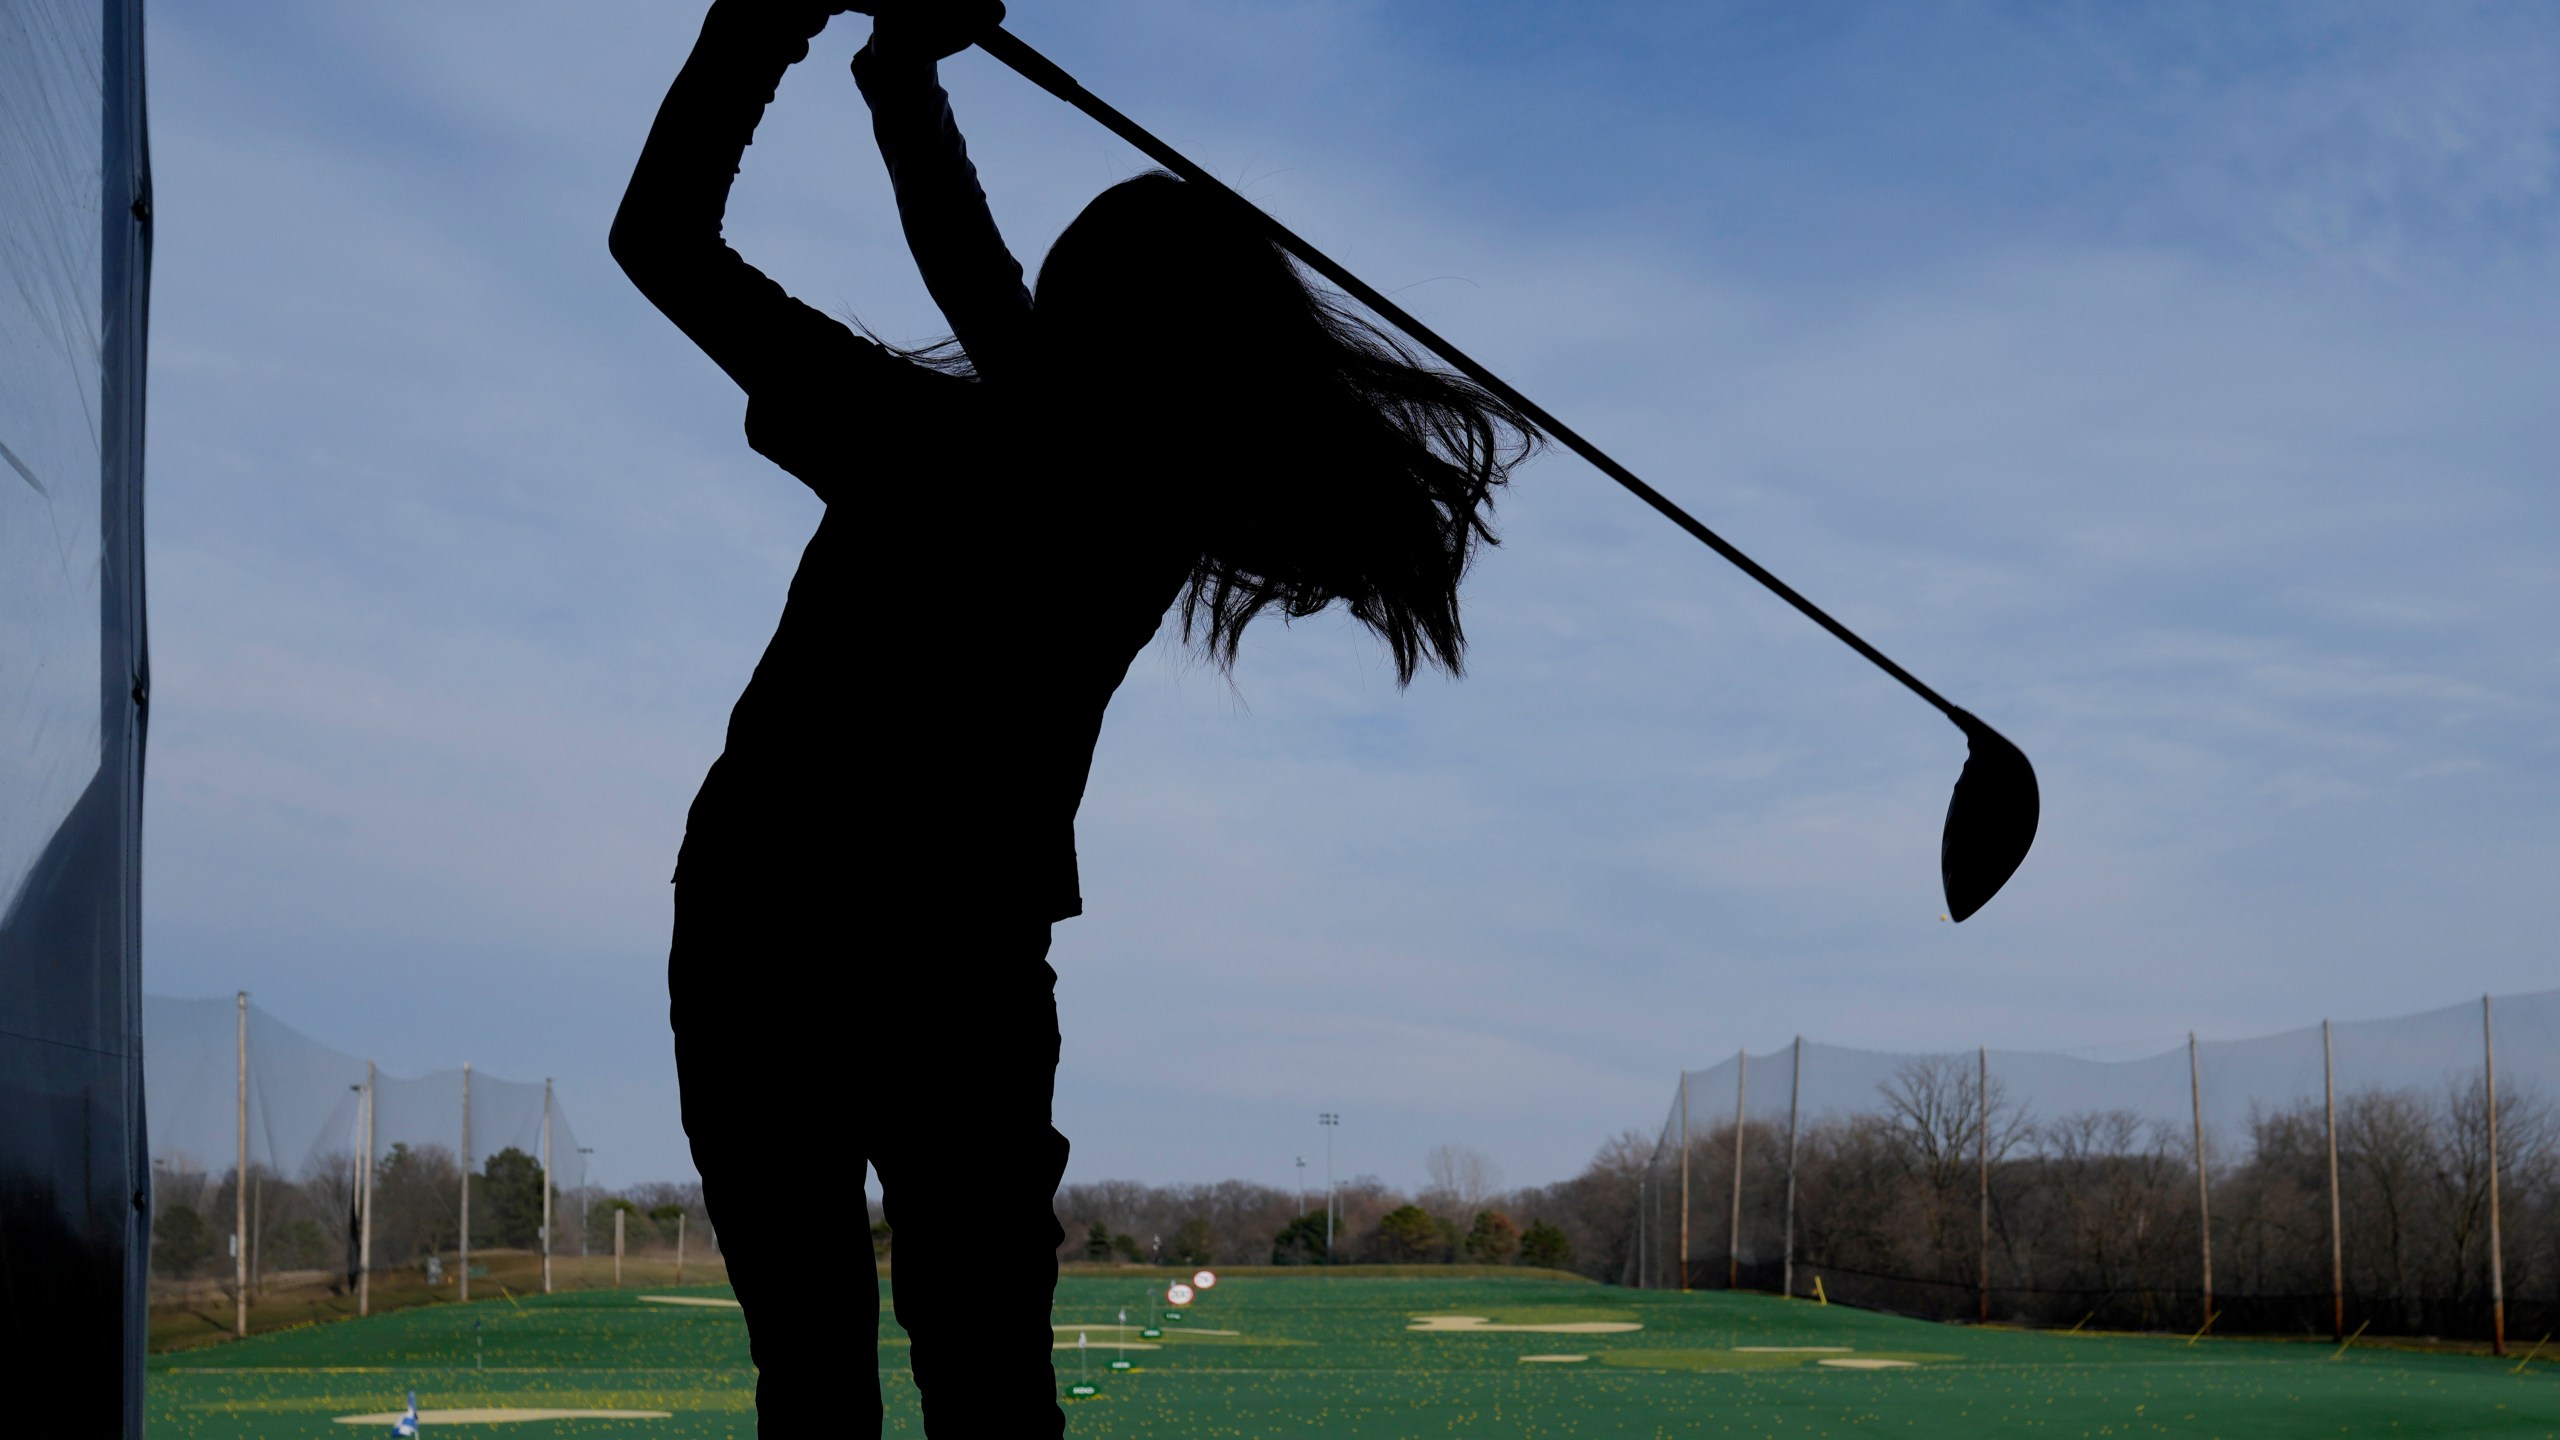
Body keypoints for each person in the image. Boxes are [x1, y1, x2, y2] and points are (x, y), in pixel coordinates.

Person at [610, 2, 1536, 1433]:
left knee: (817, 1380)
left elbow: (661, 240)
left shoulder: (931, 440)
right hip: (962, 963)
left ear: (1077, 314)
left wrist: (778, 28)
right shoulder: (1149, 509)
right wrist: (894, 75)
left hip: (766, 925)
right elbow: (997, 316)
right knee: (988, 1386)